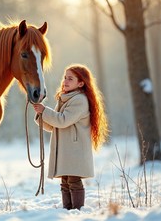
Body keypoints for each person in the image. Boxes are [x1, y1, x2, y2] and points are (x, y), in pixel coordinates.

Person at [33, 64, 108, 210]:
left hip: (75, 149)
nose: (65, 81)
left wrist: (45, 111)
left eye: (70, 79)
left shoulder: (79, 100)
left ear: (80, 83)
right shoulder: (65, 99)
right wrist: (40, 114)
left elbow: (62, 120)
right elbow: (53, 125)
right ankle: (67, 209)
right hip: (66, 150)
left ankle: (77, 210)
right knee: (65, 181)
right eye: (65, 77)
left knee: (73, 180)